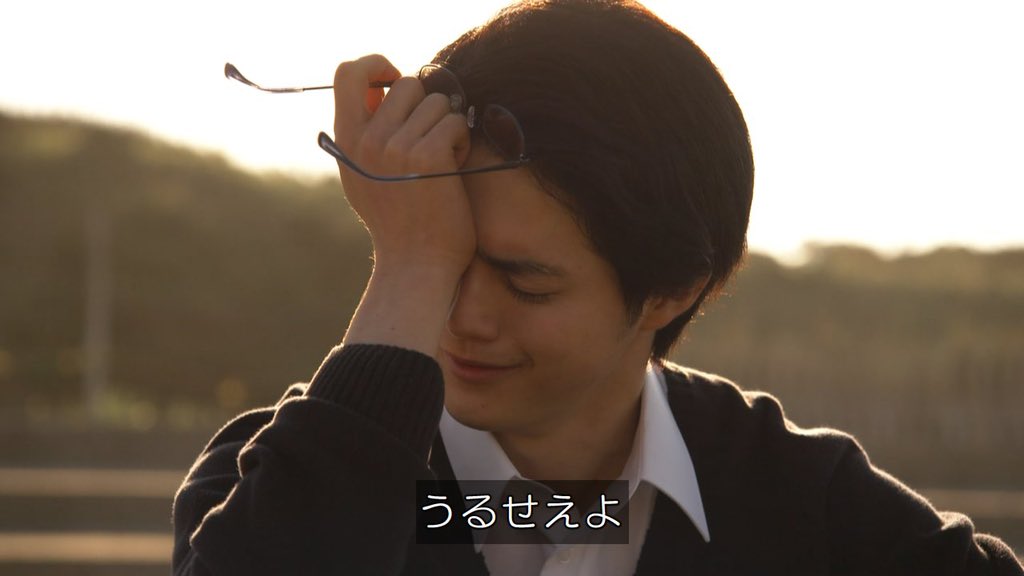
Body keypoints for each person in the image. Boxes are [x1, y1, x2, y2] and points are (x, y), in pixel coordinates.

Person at [172, 1, 1023, 574]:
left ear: (671, 290)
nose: (463, 318)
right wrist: (409, 267)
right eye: (442, 259)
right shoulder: (275, 481)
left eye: (524, 281)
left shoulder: (809, 508)